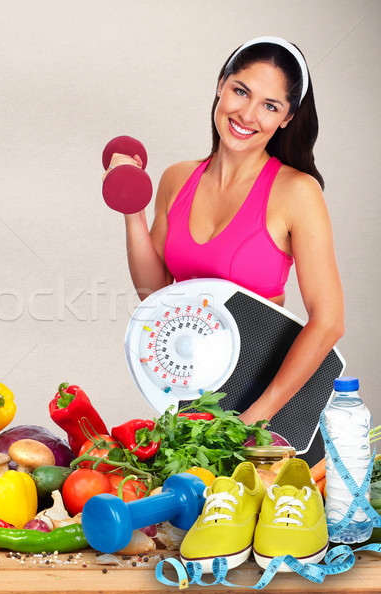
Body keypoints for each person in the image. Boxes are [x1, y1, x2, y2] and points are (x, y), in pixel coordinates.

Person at [107, 37, 344, 432]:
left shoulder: (297, 192)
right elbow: (155, 294)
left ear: (286, 118)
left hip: (267, 403)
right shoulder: (177, 178)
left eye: (270, 106)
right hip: (190, 393)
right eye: (241, 91)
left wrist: (256, 416)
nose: (248, 115)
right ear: (221, 84)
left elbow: (329, 321)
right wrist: (133, 210)